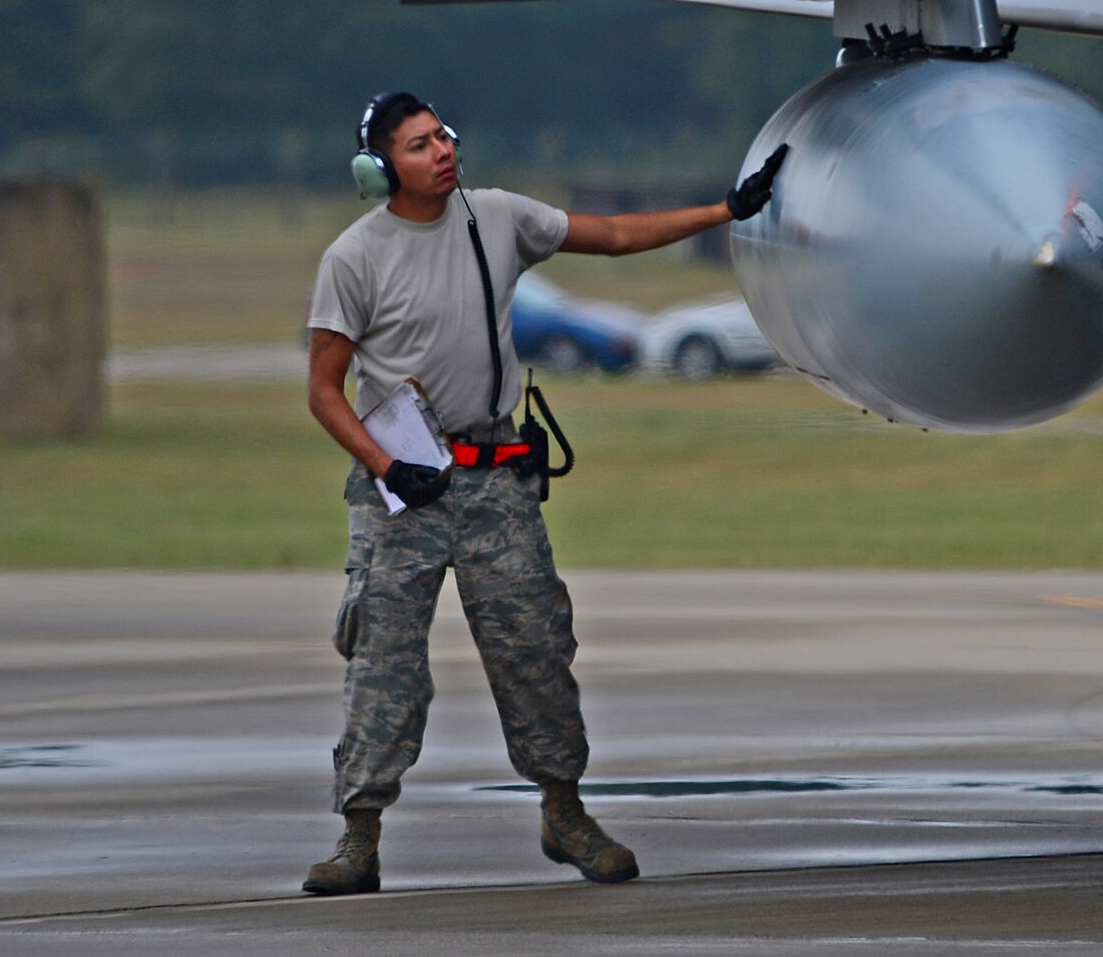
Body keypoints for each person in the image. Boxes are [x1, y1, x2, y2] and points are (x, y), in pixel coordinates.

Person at [300, 91, 786, 895]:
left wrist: (727, 209)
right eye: (419, 146)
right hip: (403, 491)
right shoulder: (354, 257)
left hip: (495, 480)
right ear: (380, 168)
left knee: (536, 652)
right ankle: (359, 837)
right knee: (382, 664)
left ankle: (565, 814)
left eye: (444, 136)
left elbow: (619, 236)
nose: (443, 152)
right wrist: (388, 469)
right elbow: (323, 389)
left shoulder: (495, 218)